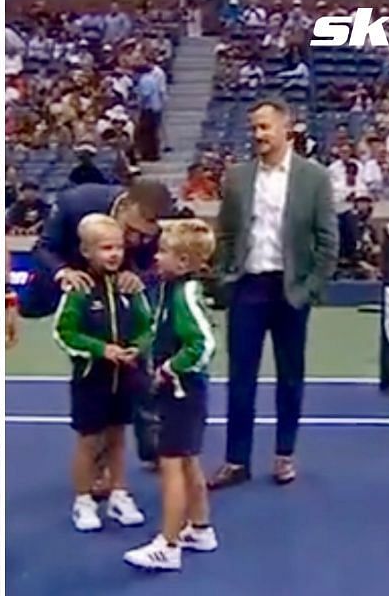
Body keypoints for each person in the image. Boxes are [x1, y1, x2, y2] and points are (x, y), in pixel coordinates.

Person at [209, 98, 337, 489]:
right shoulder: (236, 177)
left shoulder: (314, 178)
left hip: (290, 291)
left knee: (290, 377)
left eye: (265, 127)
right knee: (240, 378)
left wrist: (310, 288)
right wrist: (223, 277)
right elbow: (227, 234)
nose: (258, 135)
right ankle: (236, 460)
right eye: (254, 128)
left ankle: (284, 455)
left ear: (287, 129)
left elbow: (327, 240)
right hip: (247, 288)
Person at [28, 180, 174, 470]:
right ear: (126, 205)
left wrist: (138, 278)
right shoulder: (76, 202)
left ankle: (153, 445)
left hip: (121, 287)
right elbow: (43, 248)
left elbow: (151, 268)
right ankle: (97, 460)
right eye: (131, 231)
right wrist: (64, 272)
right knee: (95, 368)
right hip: (78, 281)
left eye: (144, 236)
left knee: (141, 360)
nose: (136, 240)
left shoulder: (149, 235)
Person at [123, 219, 219, 571]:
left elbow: (203, 343)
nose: (157, 257)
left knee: (171, 464)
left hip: (184, 391)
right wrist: (141, 349)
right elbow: (156, 328)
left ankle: (169, 543)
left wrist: (171, 368)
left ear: (183, 262)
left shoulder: (185, 295)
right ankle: (201, 528)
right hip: (177, 390)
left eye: (163, 252)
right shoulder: (168, 289)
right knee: (188, 459)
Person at [53, 214, 150, 532]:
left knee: (119, 438)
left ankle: (119, 494)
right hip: (90, 379)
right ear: (87, 251)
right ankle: (83, 501)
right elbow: (64, 334)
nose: (114, 254)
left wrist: (137, 347)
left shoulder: (130, 287)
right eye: (106, 248)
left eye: (119, 248)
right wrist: (100, 350)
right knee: (89, 442)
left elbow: (146, 327)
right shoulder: (78, 289)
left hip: (124, 379)